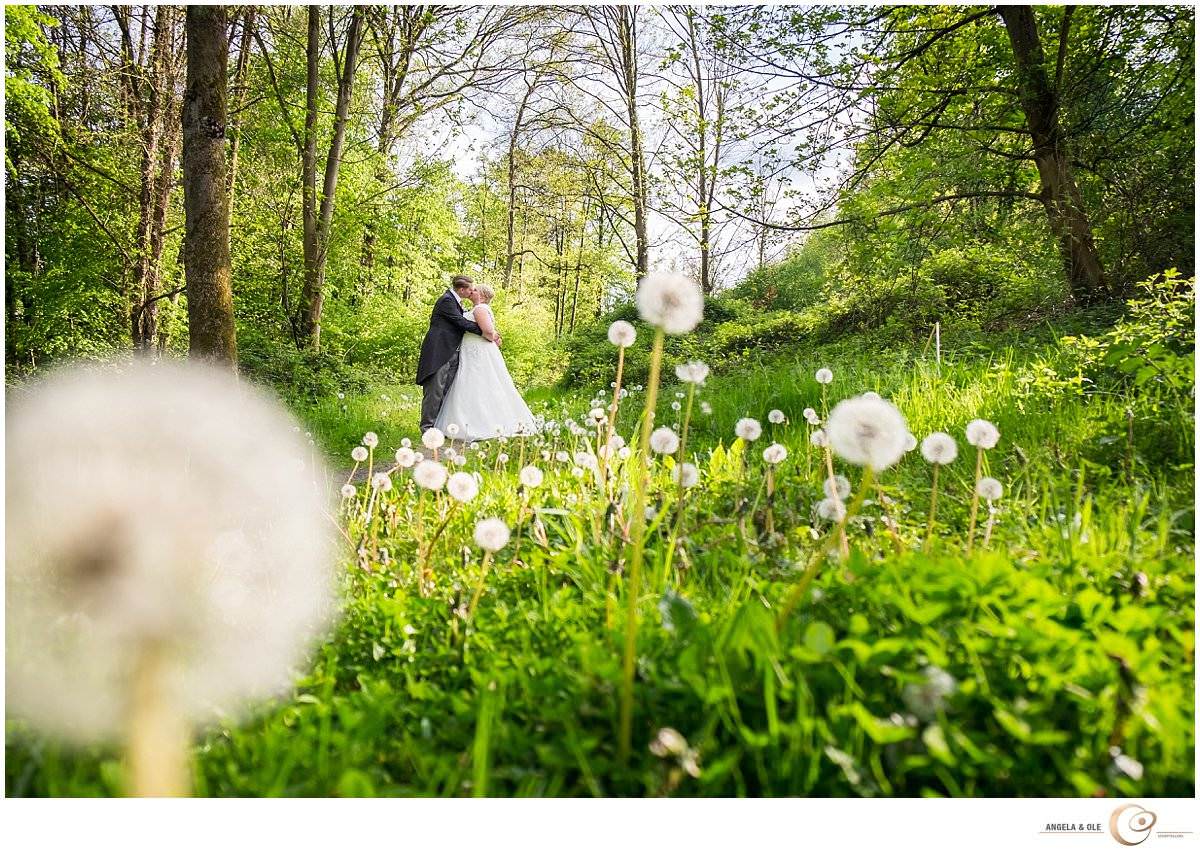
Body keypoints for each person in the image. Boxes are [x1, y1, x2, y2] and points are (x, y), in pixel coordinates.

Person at [433, 283, 537, 441]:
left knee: (478, 382)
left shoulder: (480, 309)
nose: (471, 292)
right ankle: (469, 421)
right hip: (472, 350)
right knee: (472, 383)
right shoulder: (476, 309)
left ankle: (481, 424)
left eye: (474, 290)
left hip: (478, 351)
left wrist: (494, 336)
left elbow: (487, 331)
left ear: (481, 296)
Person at [415, 275, 498, 432]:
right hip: (439, 351)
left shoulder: (456, 303)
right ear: (462, 290)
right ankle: (427, 428)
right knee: (435, 390)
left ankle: (438, 426)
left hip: (452, 351)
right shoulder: (447, 300)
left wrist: (491, 332)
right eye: (470, 289)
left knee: (446, 390)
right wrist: (488, 333)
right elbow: (461, 323)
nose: (472, 292)